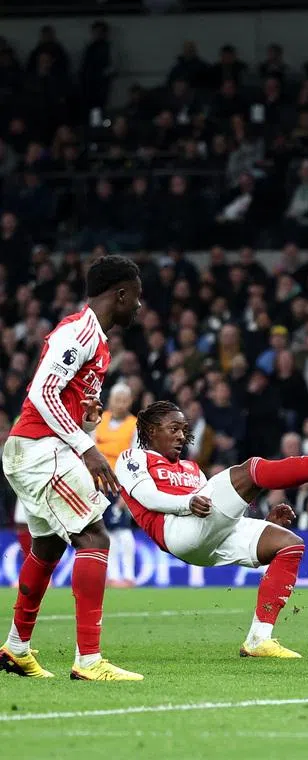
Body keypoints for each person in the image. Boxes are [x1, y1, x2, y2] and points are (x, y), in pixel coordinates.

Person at [115, 402, 308, 658]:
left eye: (183, 430)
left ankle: (259, 639)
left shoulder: (192, 469)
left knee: (289, 544)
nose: (181, 436)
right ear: (151, 431)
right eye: (174, 429)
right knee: (250, 470)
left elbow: (219, 514)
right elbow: (148, 497)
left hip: (204, 538)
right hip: (176, 531)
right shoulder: (133, 458)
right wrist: (187, 502)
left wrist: (264, 522)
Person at [1, 256, 143, 681]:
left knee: (47, 547)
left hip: (40, 448)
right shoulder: (79, 331)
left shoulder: (97, 340)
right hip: (40, 449)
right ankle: (89, 660)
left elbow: (60, 398)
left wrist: (85, 419)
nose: (139, 305)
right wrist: (87, 447)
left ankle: (16, 649)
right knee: (94, 536)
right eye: (136, 296)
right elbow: (42, 393)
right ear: (120, 294)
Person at [94, 383, 139, 588]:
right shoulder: (98, 420)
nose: (120, 404)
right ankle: (113, 576)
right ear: (110, 400)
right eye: (116, 399)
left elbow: (135, 459)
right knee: (106, 532)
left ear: (130, 402)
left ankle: (129, 576)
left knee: (123, 529)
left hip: (119, 485)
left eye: (124, 400)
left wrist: (127, 491)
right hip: (98, 485)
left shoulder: (134, 425)